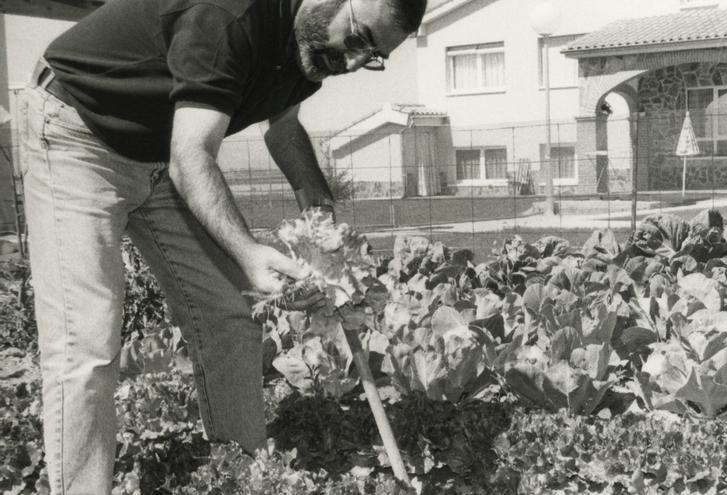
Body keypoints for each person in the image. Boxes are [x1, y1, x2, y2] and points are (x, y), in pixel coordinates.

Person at [17, 0, 426, 491]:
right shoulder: (230, 15)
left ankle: (246, 478)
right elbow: (192, 159)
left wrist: (320, 217)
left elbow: (285, 127)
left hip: (159, 152)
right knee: (84, 344)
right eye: (360, 39)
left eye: (374, 55)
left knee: (231, 314)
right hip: (75, 130)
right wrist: (249, 253)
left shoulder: (314, 50)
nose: (357, 61)